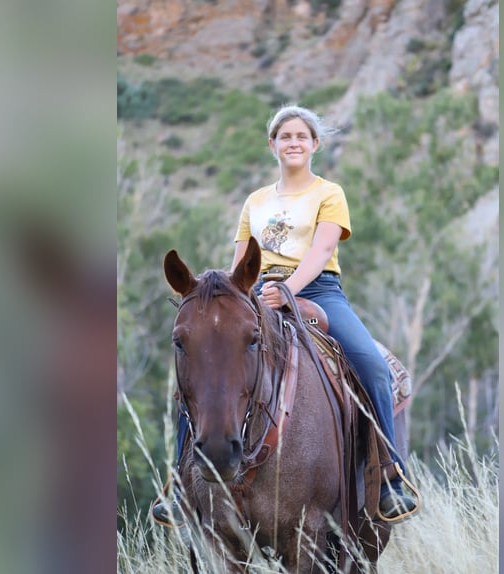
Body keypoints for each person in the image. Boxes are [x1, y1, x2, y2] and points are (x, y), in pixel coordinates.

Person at [152, 104, 417, 525]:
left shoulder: (329, 193)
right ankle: (181, 485)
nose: (293, 142)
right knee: (203, 367)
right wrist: (233, 295)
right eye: (285, 136)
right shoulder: (255, 201)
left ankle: (388, 475)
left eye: (301, 136)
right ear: (272, 145)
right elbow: (239, 262)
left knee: (373, 367)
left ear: (314, 144)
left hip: (317, 290)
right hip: (254, 292)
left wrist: (286, 291)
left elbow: (322, 250)